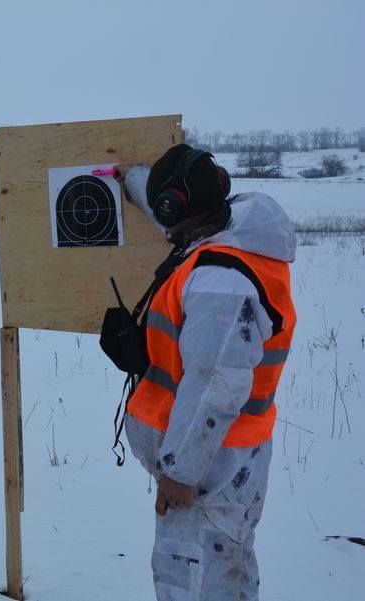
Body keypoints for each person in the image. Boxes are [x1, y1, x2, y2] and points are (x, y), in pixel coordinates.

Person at [114, 144, 297, 600]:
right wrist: (133, 181)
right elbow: (179, 229)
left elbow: (217, 383)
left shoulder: (220, 282)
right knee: (224, 568)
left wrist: (180, 471)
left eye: (166, 206)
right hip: (225, 454)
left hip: (209, 466)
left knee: (195, 581)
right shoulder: (224, 238)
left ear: (176, 206)